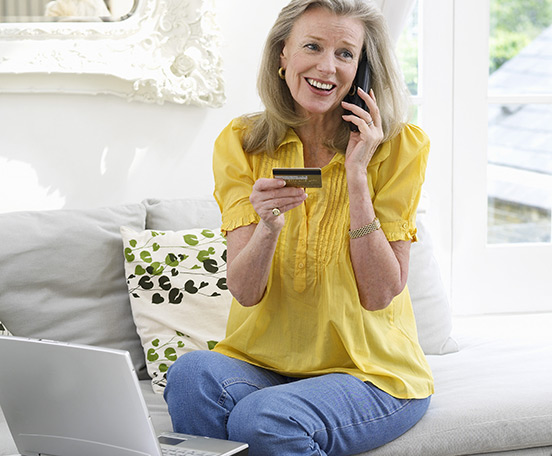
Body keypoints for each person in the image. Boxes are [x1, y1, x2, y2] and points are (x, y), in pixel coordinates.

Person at [164, 0, 434, 454]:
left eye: (346, 54)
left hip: (371, 372)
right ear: (282, 55)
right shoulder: (243, 143)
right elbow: (246, 292)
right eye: (312, 46)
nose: (327, 66)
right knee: (190, 375)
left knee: (263, 417)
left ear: (363, 69)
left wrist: (356, 178)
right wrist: (267, 228)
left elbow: (379, 292)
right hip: (263, 362)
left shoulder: (400, 146)